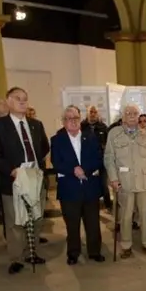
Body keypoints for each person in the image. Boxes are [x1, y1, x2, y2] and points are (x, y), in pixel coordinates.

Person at [0, 87, 50, 274]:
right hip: (13, 179)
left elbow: (44, 147)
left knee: (37, 218)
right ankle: (16, 258)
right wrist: (11, 170)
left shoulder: (36, 125)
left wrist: (38, 167)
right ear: (8, 101)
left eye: (25, 99)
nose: (22, 102)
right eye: (17, 98)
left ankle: (33, 252)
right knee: (16, 221)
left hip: (35, 177)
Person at [51, 106, 105, 265]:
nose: (73, 121)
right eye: (69, 119)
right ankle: (73, 253)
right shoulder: (57, 140)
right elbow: (56, 162)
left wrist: (85, 171)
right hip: (69, 188)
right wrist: (73, 170)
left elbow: (98, 159)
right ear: (63, 122)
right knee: (72, 224)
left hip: (90, 186)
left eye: (75, 118)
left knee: (93, 223)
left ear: (80, 119)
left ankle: (94, 251)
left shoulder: (91, 137)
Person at [106, 104, 146, 259]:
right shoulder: (114, 134)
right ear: (123, 116)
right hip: (125, 183)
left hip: (145, 182)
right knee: (126, 216)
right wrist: (113, 179)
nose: (132, 116)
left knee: (145, 215)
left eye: (135, 113)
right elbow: (109, 158)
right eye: (128, 113)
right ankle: (126, 245)